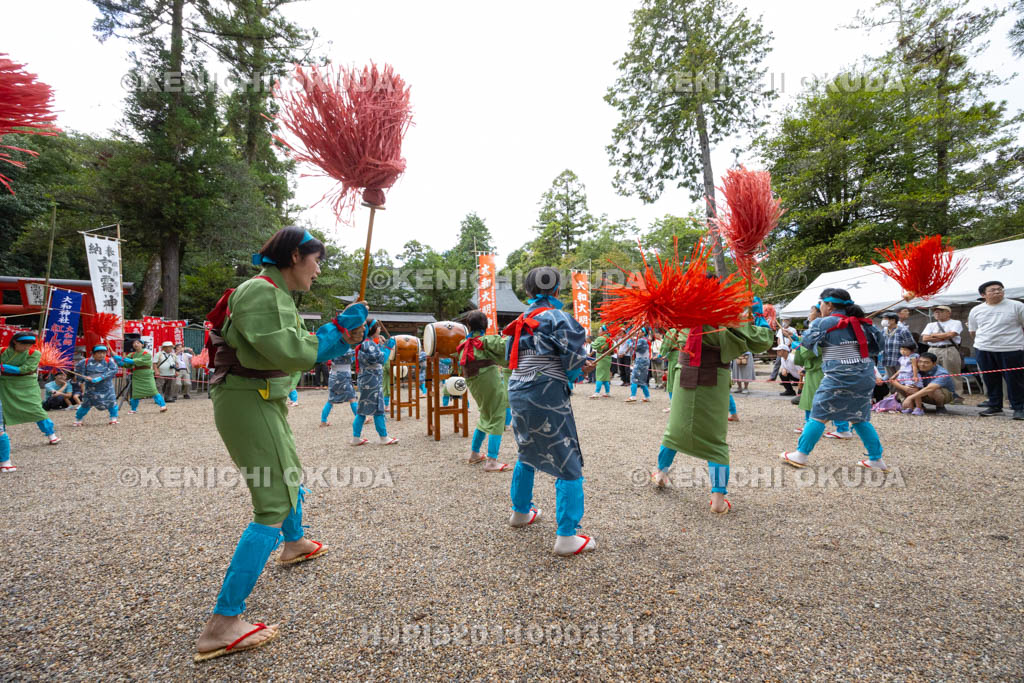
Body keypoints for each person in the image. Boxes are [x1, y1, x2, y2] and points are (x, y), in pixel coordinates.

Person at [195, 226, 368, 662]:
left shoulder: (276, 294)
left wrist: (343, 338)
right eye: (317, 260)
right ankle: (222, 623)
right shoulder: (259, 291)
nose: (318, 270)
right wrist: (334, 330)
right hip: (247, 399)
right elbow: (293, 352)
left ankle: (294, 544)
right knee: (272, 501)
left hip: (261, 398)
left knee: (289, 476)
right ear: (295, 256)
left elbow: (297, 351)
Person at [652, 292, 774, 513]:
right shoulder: (727, 318)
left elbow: (665, 344)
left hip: (684, 376)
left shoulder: (684, 318)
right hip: (713, 378)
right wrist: (758, 315)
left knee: (675, 430)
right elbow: (763, 340)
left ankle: (660, 473)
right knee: (715, 440)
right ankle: (718, 500)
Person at [505, 266, 593, 556]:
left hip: (518, 389)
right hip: (546, 392)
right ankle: (567, 536)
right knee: (567, 456)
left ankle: (520, 512)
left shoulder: (520, 319)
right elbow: (574, 360)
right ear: (557, 290)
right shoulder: (560, 317)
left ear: (528, 292)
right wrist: (583, 366)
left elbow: (511, 357)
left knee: (526, 450)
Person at [781, 288, 890, 471]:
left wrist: (799, 336)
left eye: (821, 303)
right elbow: (877, 347)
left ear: (829, 304)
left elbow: (806, 344)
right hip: (865, 373)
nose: (820, 307)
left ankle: (800, 454)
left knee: (818, 414)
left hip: (839, 374)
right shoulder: (864, 323)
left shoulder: (824, 322)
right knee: (860, 417)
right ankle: (876, 460)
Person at [458, 309, 513, 472]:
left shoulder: (463, 344)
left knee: (485, 414)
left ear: (468, 325)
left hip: (474, 383)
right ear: (486, 325)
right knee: (497, 415)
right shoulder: (487, 341)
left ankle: (475, 454)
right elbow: (507, 348)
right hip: (488, 380)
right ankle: (492, 461)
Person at [0, 332, 61, 465]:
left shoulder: (34, 353)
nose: (26, 347)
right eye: (23, 343)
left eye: (29, 344)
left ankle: (50, 433)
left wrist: (3, 367)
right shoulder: (2, 351)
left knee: (35, 409)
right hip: (5, 384)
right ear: (15, 341)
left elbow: (26, 369)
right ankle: (2, 437)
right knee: (2, 411)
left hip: (26, 385)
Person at [968, 280, 1024, 420]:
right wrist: (982, 342)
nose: (997, 292)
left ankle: (1019, 407)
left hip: (1012, 348)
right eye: (992, 290)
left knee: (1015, 380)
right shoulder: (976, 310)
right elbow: (973, 331)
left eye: (1000, 289)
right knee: (990, 378)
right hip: (984, 348)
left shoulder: (1017, 306)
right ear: (983, 294)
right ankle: (995, 405)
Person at [793, 323, 853, 439]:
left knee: (828, 399)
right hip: (815, 370)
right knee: (810, 399)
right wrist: (799, 339)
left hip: (821, 370)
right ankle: (810, 424)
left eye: (811, 311)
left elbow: (811, 351)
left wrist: (800, 346)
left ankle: (843, 428)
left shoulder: (826, 332)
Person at [351, 320, 399, 447]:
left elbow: (375, 356)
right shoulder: (369, 344)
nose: (380, 329)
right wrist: (388, 348)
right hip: (372, 380)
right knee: (378, 408)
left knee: (362, 409)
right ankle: (383, 437)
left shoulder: (367, 343)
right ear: (372, 330)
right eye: (377, 327)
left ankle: (356, 437)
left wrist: (383, 347)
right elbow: (381, 359)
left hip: (367, 379)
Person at [920, 306, 963, 399]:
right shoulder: (930, 324)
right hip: (932, 349)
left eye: (940, 311)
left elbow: (951, 334)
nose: (937, 313)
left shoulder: (956, 323)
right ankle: (930, 394)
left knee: (952, 372)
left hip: (949, 348)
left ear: (948, 313)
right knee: (930, 371)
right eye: (935, 312)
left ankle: (956, 396)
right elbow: (925, 338)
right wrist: (944, 336)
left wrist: (933, 335)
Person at [74, 345, 121, 426]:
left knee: (111, 402)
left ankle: (113, 418)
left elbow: (114, 370)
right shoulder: (84, 362)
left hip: (107, 388)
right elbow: (78, 373)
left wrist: (101, 377)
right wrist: (85, 378)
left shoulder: (109, 361)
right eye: (99, 353)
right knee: (85, 404)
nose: (102, 355)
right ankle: (78, 419)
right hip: (91, 389)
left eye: (103, 353)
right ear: (93, 353)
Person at [120, 339, 167, 414]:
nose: (135, 344)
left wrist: (125, 360)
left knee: (153, 390)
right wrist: (120, 362)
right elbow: (127, 365)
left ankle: (163, 406)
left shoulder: (146, 354)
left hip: (147, 375)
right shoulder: (131, 355)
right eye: (134, 343)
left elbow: (137, 361)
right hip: (137, 375)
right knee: (135, 393)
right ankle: (133, 409)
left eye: (138, 343)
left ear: (142, 345)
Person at [320, 349, 356, 427]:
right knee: (352, 397)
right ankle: (359, 418)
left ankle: (323, 421)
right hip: (343, 376)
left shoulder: (332, 347)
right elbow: (352, 353)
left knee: (331, 399)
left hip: (333, 375)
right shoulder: (344, 348)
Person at [880, 311, 914, 379]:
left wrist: (909, 358)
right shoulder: (884, 331)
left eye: (885, 319)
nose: (883, 321)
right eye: (883, 319)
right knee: (890, 379)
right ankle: (892, 390)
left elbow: (912, 345)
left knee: (901, 378)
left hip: (900, 360)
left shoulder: (903, 330)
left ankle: (900, 390)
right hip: (887, 359)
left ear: (893, 320)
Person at [659, 328, 681, 413]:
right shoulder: (686, 328)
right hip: (686, 355)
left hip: (675, 357)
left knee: (672, 381)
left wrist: (661, 353)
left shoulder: (673, 331)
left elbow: (666, 345)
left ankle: (673, 405)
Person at [625, 334, 652, 403]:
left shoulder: (642, 340)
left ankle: (633, 396)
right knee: (642, 380)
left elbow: (635, 347)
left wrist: (630, 342)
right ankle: (647, 396)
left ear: (643, 333)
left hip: (641, 361)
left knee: (634, 378)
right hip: (645, 361)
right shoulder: (644, 340)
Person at [589, 325, 613, 398]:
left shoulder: (600, 338)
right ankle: (607, 392)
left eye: (600, 330)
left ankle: (597, 392)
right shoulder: (609, 339)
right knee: (605, 376)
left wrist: (592, 343)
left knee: (599, 375)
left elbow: (594, 346)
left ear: (604, 331)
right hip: (608, 358)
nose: (599, 331)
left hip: (601, 358)